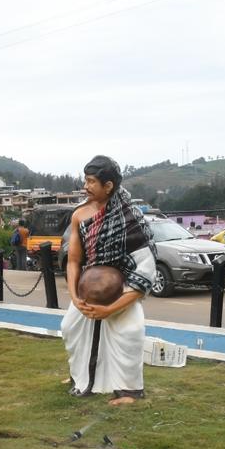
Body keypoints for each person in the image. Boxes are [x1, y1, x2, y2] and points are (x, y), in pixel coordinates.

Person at [61, 155, 155, 405]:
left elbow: (146, 267)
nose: (86, 186)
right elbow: (73, 260)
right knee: (70, 328)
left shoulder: (129, 217)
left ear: (108, 185)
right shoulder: (79, 215)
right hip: (86, 292)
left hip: (123, 289)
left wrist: (111, 308)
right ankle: (79, 376)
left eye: (92, 181)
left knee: (130, 333)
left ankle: (129, 392)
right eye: (85, 180)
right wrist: (75, 297)